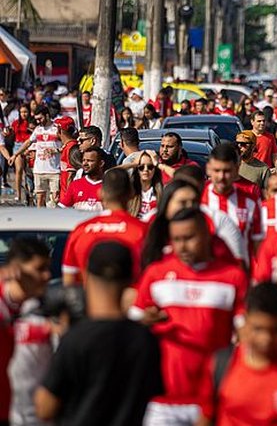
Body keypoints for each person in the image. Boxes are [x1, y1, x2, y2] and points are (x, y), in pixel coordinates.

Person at [129, 208, 248, 426]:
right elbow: (129, 328)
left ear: (206, 234)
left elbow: (246, 336)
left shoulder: (233, 278)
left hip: (212, 399)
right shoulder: (155, 274)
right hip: (161, 401)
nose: (182, 246)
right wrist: (144, 321)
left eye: (189, 238)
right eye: (176, 239)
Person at [35, 242, 164, 426]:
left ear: (86, 275)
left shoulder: (76, 338)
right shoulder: (145, 341)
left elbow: (45, 407)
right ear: (131, 279)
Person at [196, 283, 277, 426]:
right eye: (258, 329)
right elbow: (205, 417)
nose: (266, 339)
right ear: (245, 321)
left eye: (275, 330)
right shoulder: (221, 364)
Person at [62, 168, 147, 285]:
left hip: (89, 300)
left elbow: (69, 280)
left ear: (100, 193)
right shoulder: (143, 230)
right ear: (131, 193)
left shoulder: (81, 230)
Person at [3, 238, 53, 426]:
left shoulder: (53, 309)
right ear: (16, 271)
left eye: (48, 268)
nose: (48, 276)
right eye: (40, 269)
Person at [201, 143, 264, 265]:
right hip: (206, 278)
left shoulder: (251, 202)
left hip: (240, 276)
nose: (221, 177)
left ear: (236, 169)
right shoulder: (197, 197)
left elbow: (258, 246)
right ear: (208, 169)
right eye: (217, 170)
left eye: (227, 171)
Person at [11, 105, 60, 207]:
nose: (38, 121)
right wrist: (15, 155)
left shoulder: (57, 129)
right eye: (36, 119)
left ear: (47, 115)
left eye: (40, 118)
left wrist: (56, 150)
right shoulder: (38, 129)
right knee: (39, 199)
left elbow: (66, 145)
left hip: (54, 171)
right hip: (39, 170)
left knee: (54, 201)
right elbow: (28, 142)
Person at [58, 147, 105, 211]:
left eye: (90, 161)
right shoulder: (75, 185)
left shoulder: (110, 186)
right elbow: (61, 209)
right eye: (83, 160)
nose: (85, 164)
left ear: (101, 163)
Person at [128, 151, 163, 219]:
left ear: (155, 169)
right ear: (136, 169)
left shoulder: (162, 192)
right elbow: (109, 174)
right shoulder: (129, 191)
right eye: (141, 167)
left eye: (150, 167)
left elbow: (182, 178)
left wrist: (158, 164)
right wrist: (133, 165)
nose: (146, 169)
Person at [54, 116, 78, 200]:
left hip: (67, 198)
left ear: (60, 130)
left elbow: (71, 175)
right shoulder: (67, 146)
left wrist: (68, 198)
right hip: (63, 194)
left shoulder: (71, 148)